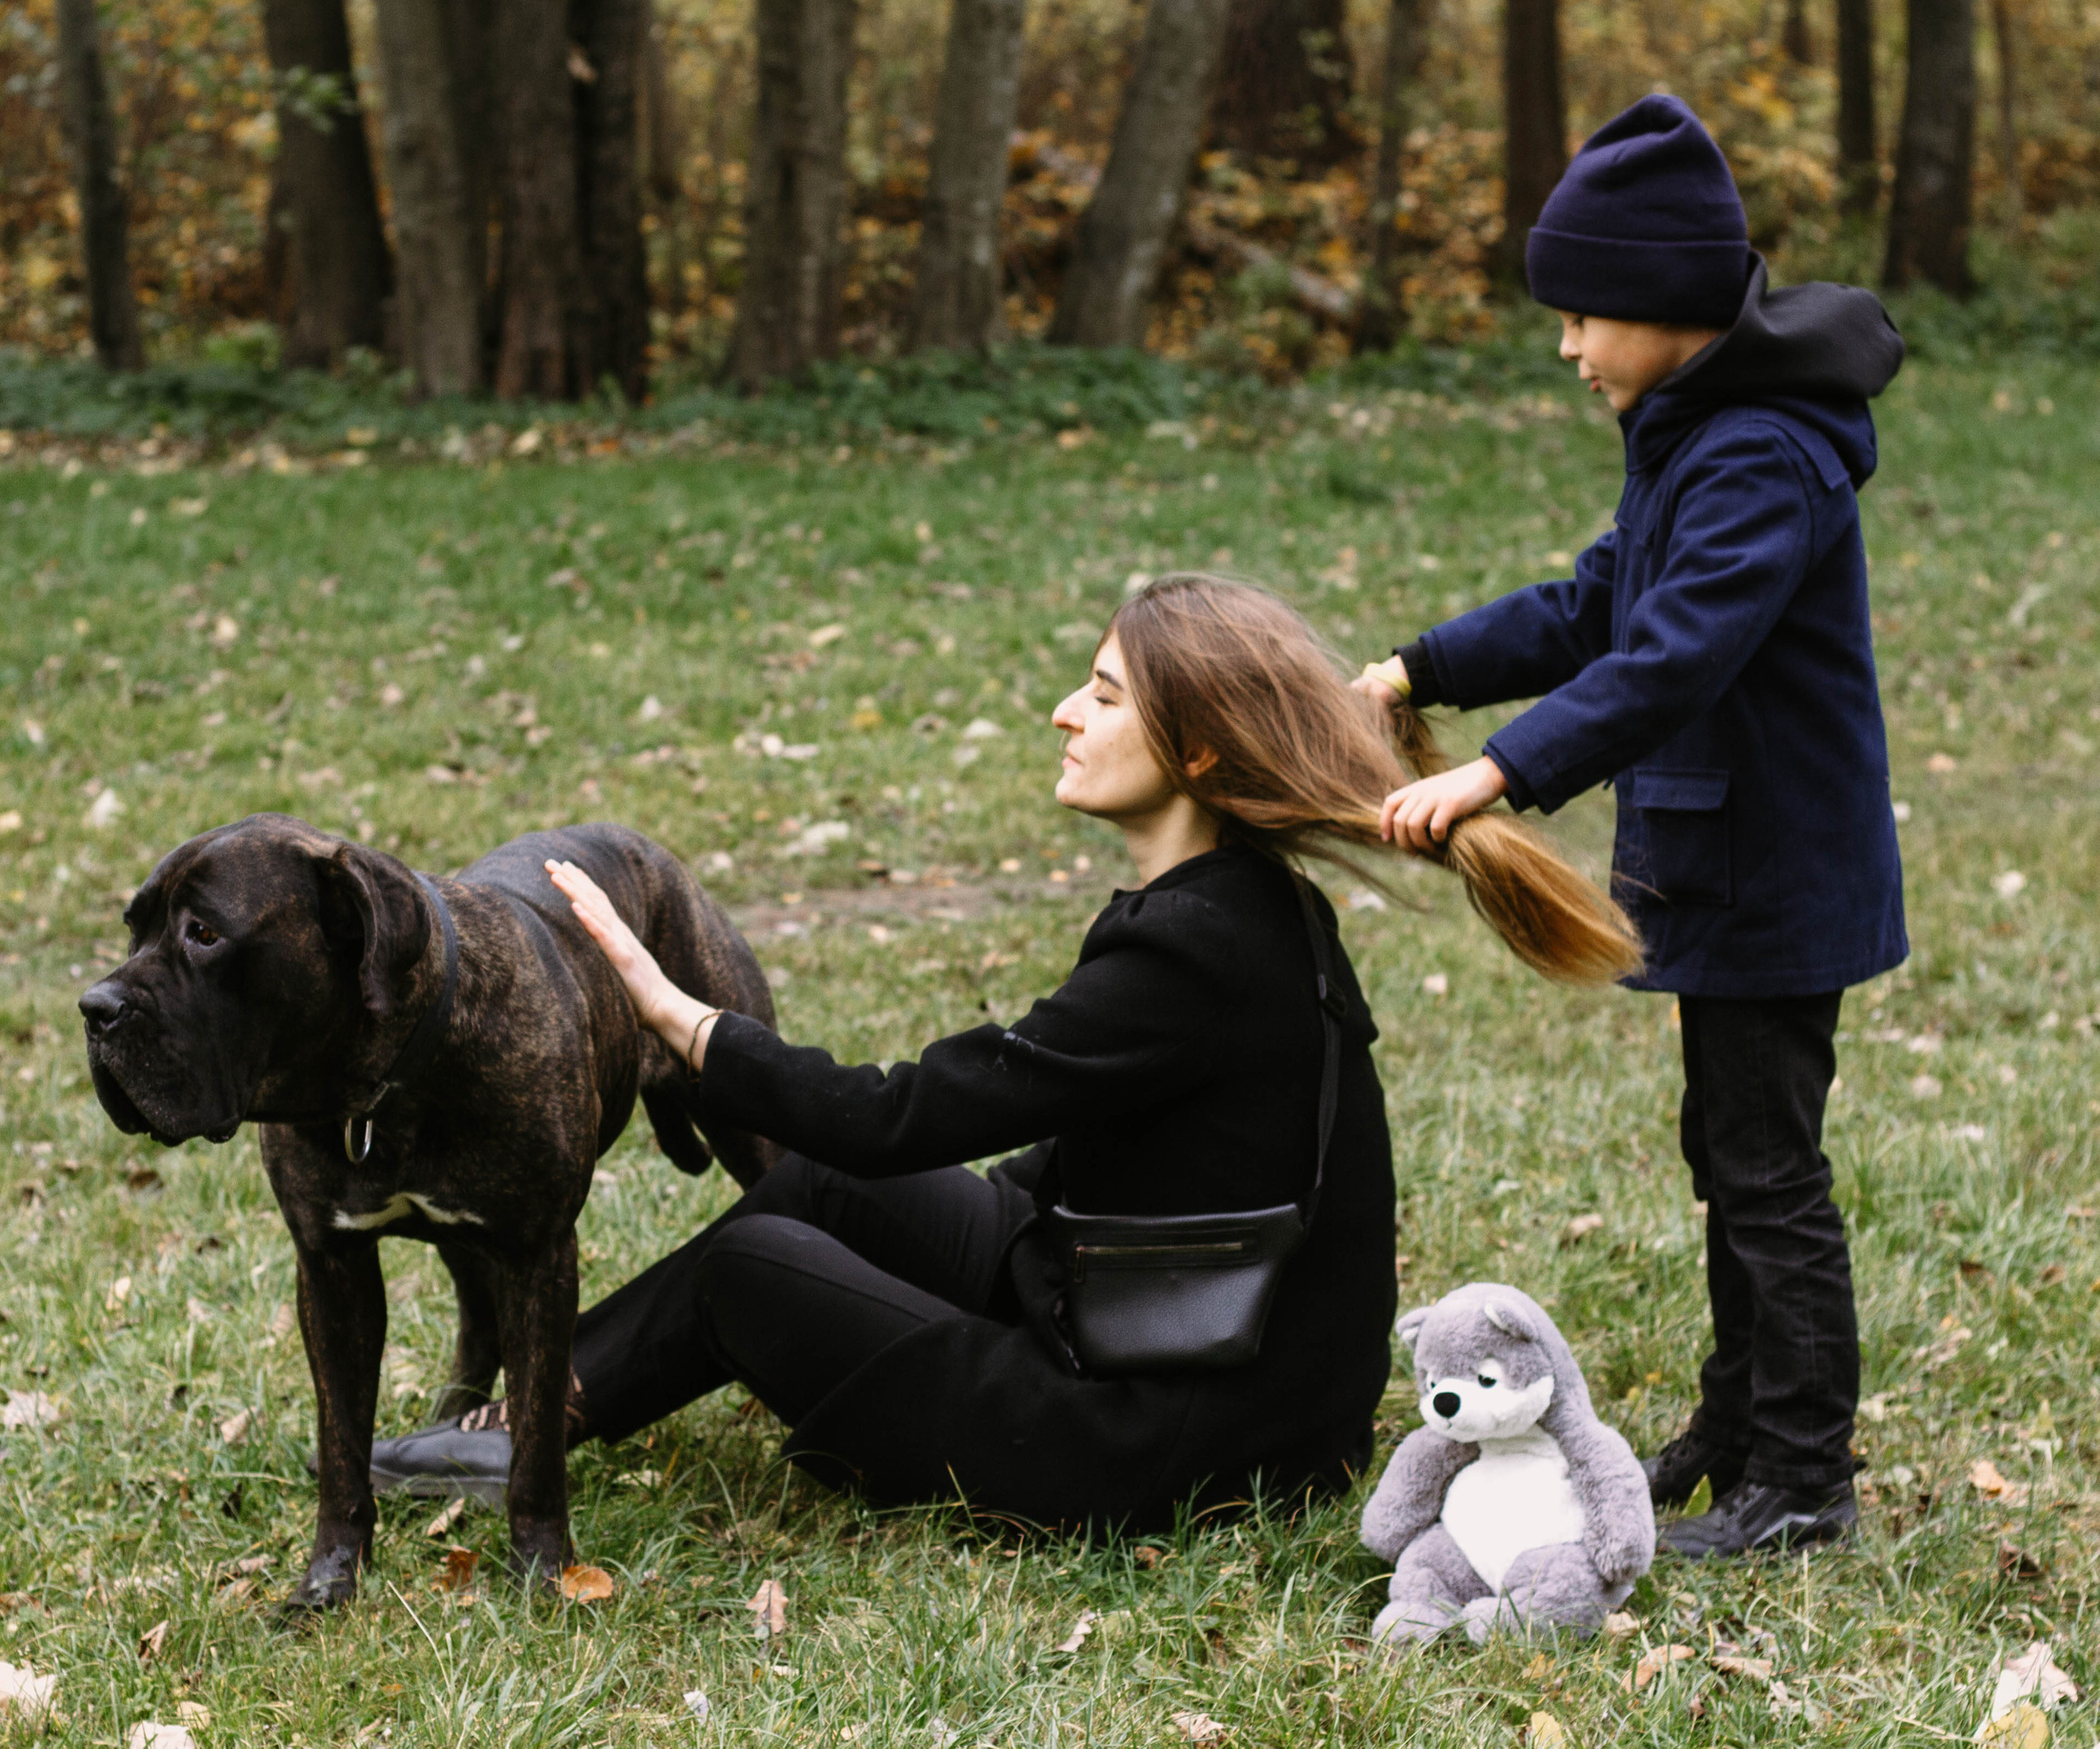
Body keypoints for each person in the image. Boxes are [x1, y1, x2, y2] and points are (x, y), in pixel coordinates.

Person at [371, 575, 1639, 1531]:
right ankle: (546, 1402)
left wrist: (679, 1016)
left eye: (1101, 695)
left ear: (1195, 751)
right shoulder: (1243, 908)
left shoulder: (1192, 950)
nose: (1063, 713)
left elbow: (904, 1113)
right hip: (1186, 1346)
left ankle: (530, 1423)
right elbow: (1072, 1143)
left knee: (753, 1265)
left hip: (1164, 1434)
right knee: (810, 1191)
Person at [1353, 95, 1906, 1558]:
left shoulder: (1763, 454)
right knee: (1727, 1155)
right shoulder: (1692, 430)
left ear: (1667, 303)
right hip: (1722, 865)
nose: (1567, 344)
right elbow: (1597, 605)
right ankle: (1739, 1423)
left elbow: (1670, 657)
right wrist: (1423, 669)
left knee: (1769, 1175)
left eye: (1585, 312)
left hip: (1779, 875)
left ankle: (1801, 1483)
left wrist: (1495, 774)